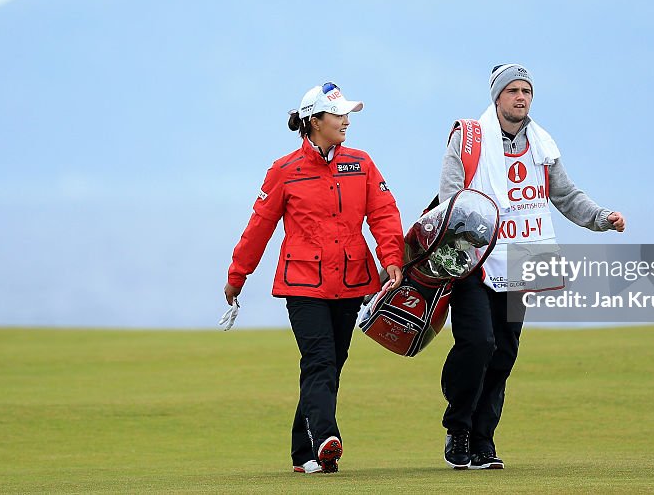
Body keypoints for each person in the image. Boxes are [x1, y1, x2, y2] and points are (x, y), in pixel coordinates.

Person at [438, 64, 626, 470]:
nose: (521, 97)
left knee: (504, 352)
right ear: (497, 97)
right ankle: (459, 428)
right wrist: (463, 241)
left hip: (522, 259)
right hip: (474, 260)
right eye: (513, 90)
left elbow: (565, 195)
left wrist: (601, 218)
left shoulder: (542, 144)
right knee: (478, 344)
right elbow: (451, 195)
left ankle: (483, 439)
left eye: (526, 91)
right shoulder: (468, 138)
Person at [224, 81, 405, 474]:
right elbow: (259, 226)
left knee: (331, 363)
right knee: (320, 360)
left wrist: (391, 257)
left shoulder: (362, 163)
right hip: (303, 285)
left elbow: (384, 213)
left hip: (352, 281)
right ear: (314, 121)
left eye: (346, 115)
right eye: (338, 115)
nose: (346, 122)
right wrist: (237, 276)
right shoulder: (284, 170)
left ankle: (301, 453)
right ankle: (326, 438)